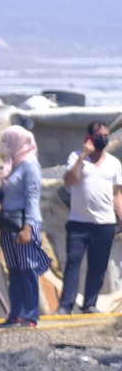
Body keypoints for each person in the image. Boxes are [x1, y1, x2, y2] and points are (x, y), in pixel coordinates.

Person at [57, 121, 120, 314]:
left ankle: (90, 304)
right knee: (73, 262)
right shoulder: (76, 157)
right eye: (100, 135)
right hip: (79, 222)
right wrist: (83, 155)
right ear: (90, 137)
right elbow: (68, 181)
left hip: (105, 223)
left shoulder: (114, 163)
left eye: (106, 135)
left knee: (98, 266)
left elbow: (117, 194)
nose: (104, 138)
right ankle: (66, 305)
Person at [0, 125, 51, 326]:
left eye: (6, 140)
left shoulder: (30, 164)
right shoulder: (12, 165)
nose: (3, 145)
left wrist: (28, 227)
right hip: (8, 223)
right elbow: (8, 195)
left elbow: (32, 197)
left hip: (24, 223)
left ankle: (30, 315)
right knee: (14, 269)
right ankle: (16, 313)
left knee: (28, 269)